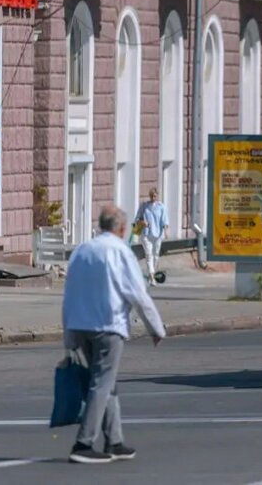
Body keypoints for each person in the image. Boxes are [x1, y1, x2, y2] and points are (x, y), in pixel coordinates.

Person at [62, 205, 166, 465]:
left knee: (106, 382)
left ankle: (115, 441)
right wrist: (156, 328)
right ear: (121, 228)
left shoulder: (82, 250)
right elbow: (138, 294)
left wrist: (68, 333)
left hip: (80, 325)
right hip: (108, 326)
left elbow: (69, 293)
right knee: (101, 383)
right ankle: (83, 443)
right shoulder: (121, 251)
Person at [134, 188, 169, 285]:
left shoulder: (161, 207)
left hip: (158, 234)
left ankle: (152, 274)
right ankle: (152, 277)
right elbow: (137, 219)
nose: (153, 198)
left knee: (156, 255)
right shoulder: (144, 206)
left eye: (155, 196)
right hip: (146, 234)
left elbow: (165, 220)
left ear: (157, 196)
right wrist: (143, 222)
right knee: (149, 255)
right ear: (149, 196)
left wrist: (166, 231)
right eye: (151, 196)